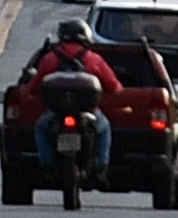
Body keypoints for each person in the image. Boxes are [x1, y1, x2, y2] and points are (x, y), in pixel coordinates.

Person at [27, 20, 116, 193]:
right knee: (104, 129)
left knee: (40, 128)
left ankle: (47, 162)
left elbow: (34, 87)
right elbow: (114, 86)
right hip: (89, 113)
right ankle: (100, 166)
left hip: (55, 113)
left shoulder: (50, 58)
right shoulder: (94, 59)